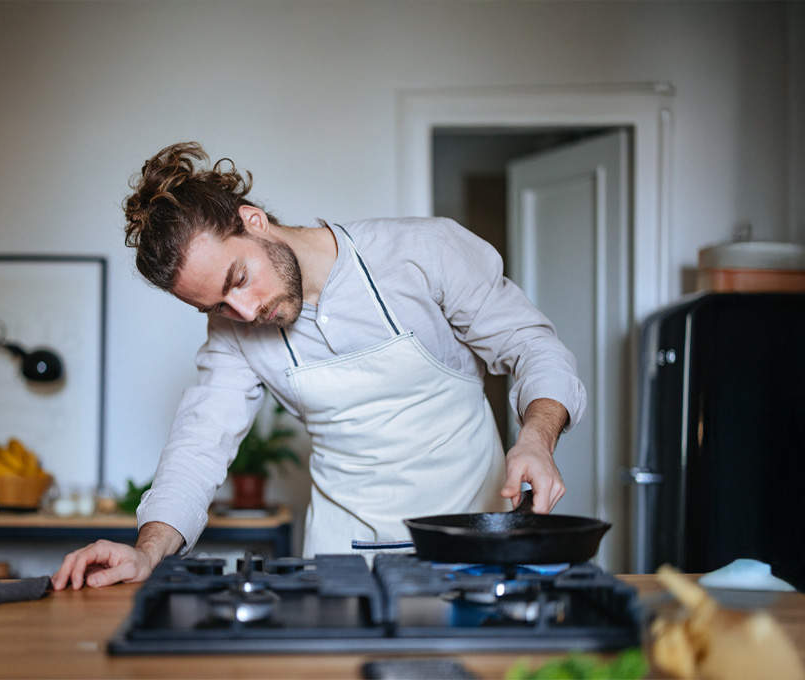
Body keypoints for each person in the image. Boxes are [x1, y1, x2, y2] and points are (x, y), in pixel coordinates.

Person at [52, 142, 585, 590]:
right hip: (342, 561)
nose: (241, 312)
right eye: (214, 305)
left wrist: (536, 438)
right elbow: (198, 447)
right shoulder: (233, 333)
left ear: (254, 222)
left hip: (472, 543)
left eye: (237, 279)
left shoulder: (421, 252)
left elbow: (532, 346)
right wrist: (147, 553)